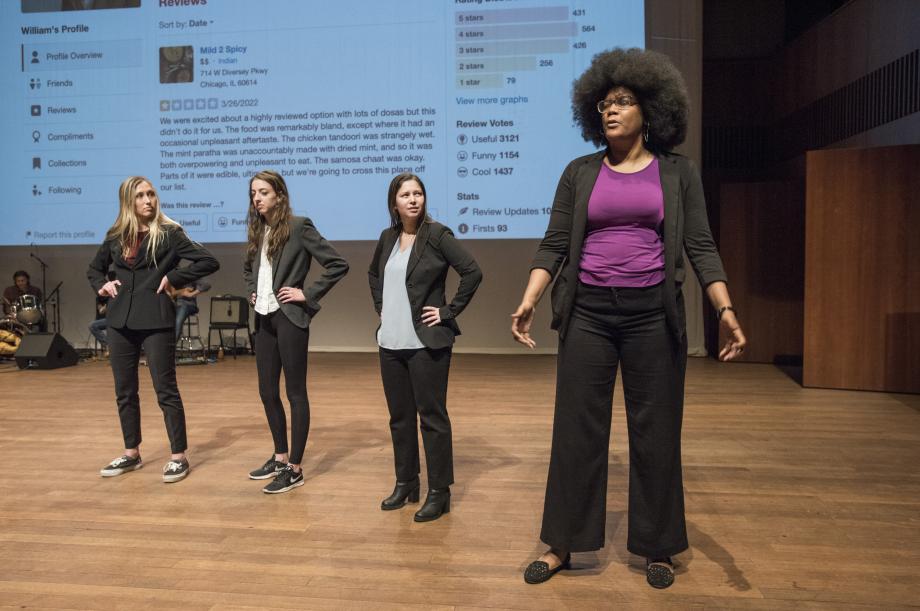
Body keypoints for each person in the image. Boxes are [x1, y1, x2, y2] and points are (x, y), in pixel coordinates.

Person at [511, 48, 747, 588]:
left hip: (651, 317)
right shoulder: (579, 172)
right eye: (604, 104)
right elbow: (554, 245)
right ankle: (563, 544)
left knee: (656, 432)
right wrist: (528, 299)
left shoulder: (677, 173)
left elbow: (701, 246)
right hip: (589, 313)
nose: (611, 111)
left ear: (651, 109)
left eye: (623, 101)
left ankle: (657, 545)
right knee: (576, 431)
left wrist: (725, 310)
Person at [88, 176, 219, 483]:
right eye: (140, 196)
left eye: (151, 194)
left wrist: (175, 278)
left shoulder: (170, 234)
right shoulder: (116, 236)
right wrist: (102, 286)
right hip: (120, 321)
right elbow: (93, 269)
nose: (148, 200)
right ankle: (131, 452)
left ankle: (178, 456)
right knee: (125, 391)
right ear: (128, 202)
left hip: (157, 321)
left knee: (166, 391)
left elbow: (209, 261)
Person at [368, 173, 482, 522]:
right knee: (400, 419)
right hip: (391, 341)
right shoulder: (388, 237)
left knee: (432, 418)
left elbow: (472, 272)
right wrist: (381, 307)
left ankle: (439, 492)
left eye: (418, 193)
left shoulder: (437, 235)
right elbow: (374, 275)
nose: (413, 199)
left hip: (425, 343)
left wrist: (448, 312)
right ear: (395, 203)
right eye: (406, 194)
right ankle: (406, 483)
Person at [243, 170, 349, 494]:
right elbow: (250, 269)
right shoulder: (258, 229)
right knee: (266, 391)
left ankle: (295, 468)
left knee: (295, 393)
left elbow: (337, 264)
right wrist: (252, 291)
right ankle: (279, 457)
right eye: (253, 193)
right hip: (263, 318)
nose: (257, 198)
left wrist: (308, 293)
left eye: (263, 192)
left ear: (278, 194)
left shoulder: (299, 226)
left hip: (289, 317)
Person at [89, 270, 116, 351]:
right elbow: (101, 311)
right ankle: (108, 345)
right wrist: (107, 306)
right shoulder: (103, 294)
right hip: (109, 319)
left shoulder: (120, 289)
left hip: (120, 319)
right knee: (92, 326)